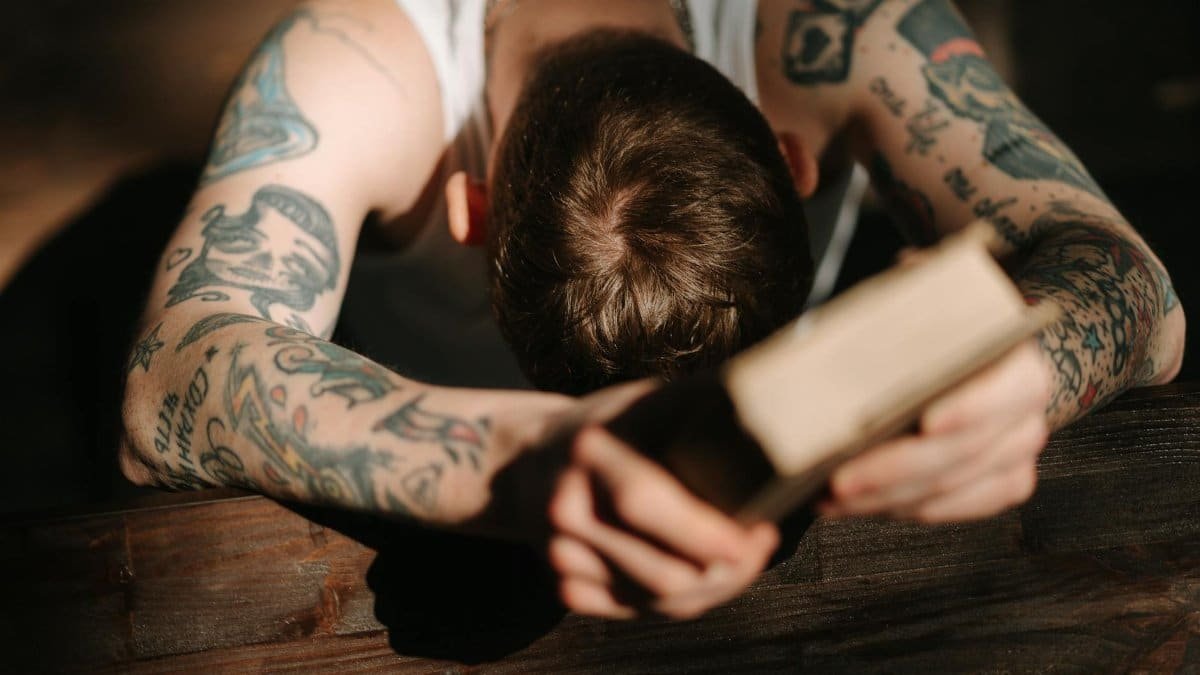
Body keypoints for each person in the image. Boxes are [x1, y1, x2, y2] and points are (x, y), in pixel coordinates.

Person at [118, 0, 1185, 621]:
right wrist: (520, 463)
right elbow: (170, 376)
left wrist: (1024, 374)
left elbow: (1136, 286)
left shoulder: (836, 26)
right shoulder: (360, 67)